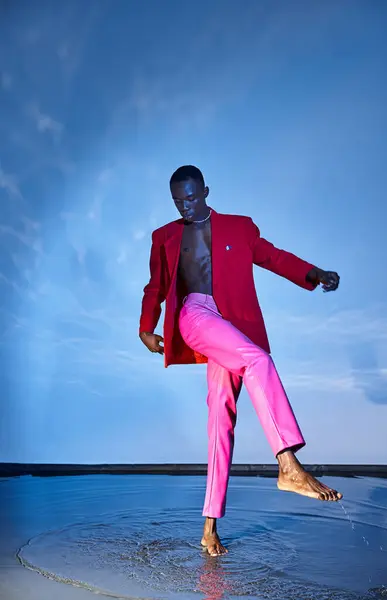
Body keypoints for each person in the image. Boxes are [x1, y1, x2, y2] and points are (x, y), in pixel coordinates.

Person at [139, 165, 342, 557]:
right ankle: (288, 464)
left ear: (206, 191)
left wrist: (313, 273)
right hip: (195, 316)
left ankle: (209, 529)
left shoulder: (239, 227)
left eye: (192, 197)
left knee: (220, 418)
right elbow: (156, 285)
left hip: (232, 323)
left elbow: (273, 257)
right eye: (178, 200)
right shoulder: (164, 236)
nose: (186, 206)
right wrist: (146, 327)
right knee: (258, 361)